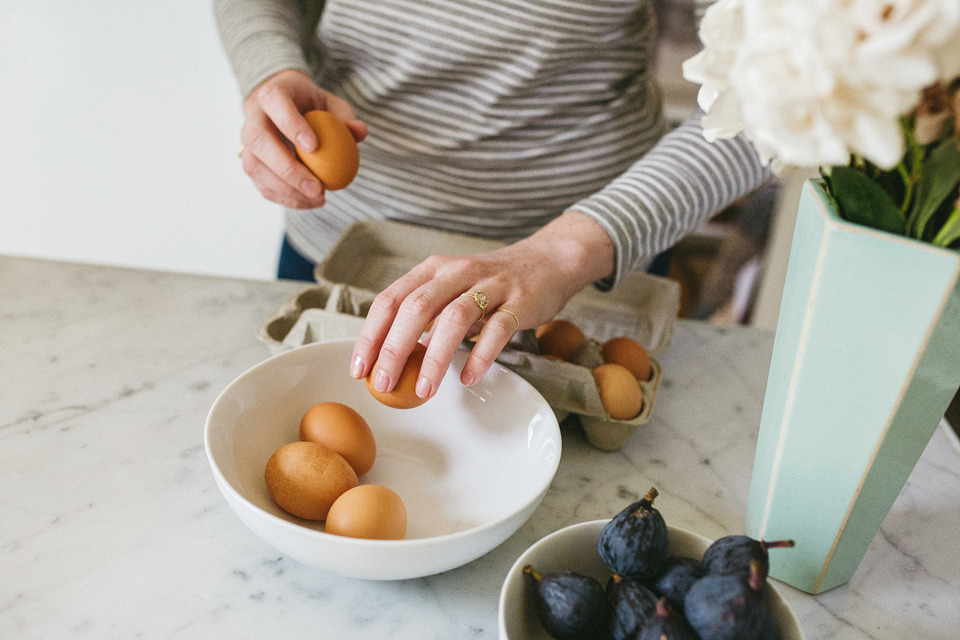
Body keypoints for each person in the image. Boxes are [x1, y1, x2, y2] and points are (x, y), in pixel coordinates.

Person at [213, 0, 770, 402]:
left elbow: (771, 102)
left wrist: (564, 253)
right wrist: (270, 68)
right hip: (345, 247)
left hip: (582, 275)